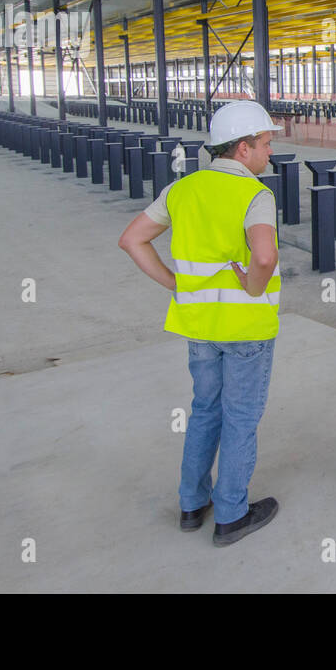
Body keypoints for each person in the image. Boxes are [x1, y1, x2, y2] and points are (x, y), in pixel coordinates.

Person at [118, 100, 283, 547]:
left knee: (206, 410)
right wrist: (252, 285)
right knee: (241, 417)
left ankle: (192, 505)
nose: (270, 152)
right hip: (245, 327)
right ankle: (231, 514)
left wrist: (176, 283)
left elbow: (132, 240)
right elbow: (264, 255)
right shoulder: (255, 194)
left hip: (199, 327)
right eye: (266, 143)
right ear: (244, 148)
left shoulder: (181, 190)